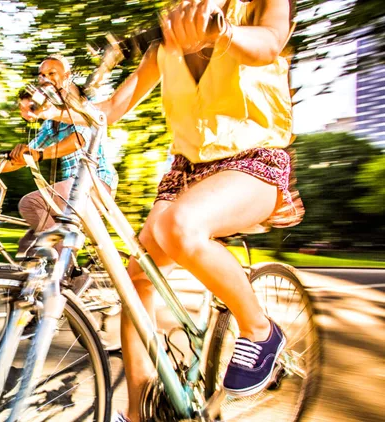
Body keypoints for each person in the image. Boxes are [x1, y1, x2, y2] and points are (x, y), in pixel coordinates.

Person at [27, 0, 303, 420]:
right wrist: (60, 109)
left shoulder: (259, 7)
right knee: (135, 280)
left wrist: (222, 33)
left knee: (179, 225)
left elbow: (267, 43)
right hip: (185, 172)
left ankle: (259, 331)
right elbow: (114, 109)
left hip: (253, 162)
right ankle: (137, 414)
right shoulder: (166, 43)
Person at [0, 54, 118, 258]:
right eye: (41, 75)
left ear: (66, 77)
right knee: (28, 248)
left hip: (95, 183)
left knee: (30, 204)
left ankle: (68, 271)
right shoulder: (50, 123)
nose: (45, 78)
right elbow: (22, 160)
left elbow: (78, 140)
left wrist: (39, 154)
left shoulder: (82, 104)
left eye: (51, 73)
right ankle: (45, 283)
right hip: (72, 189)